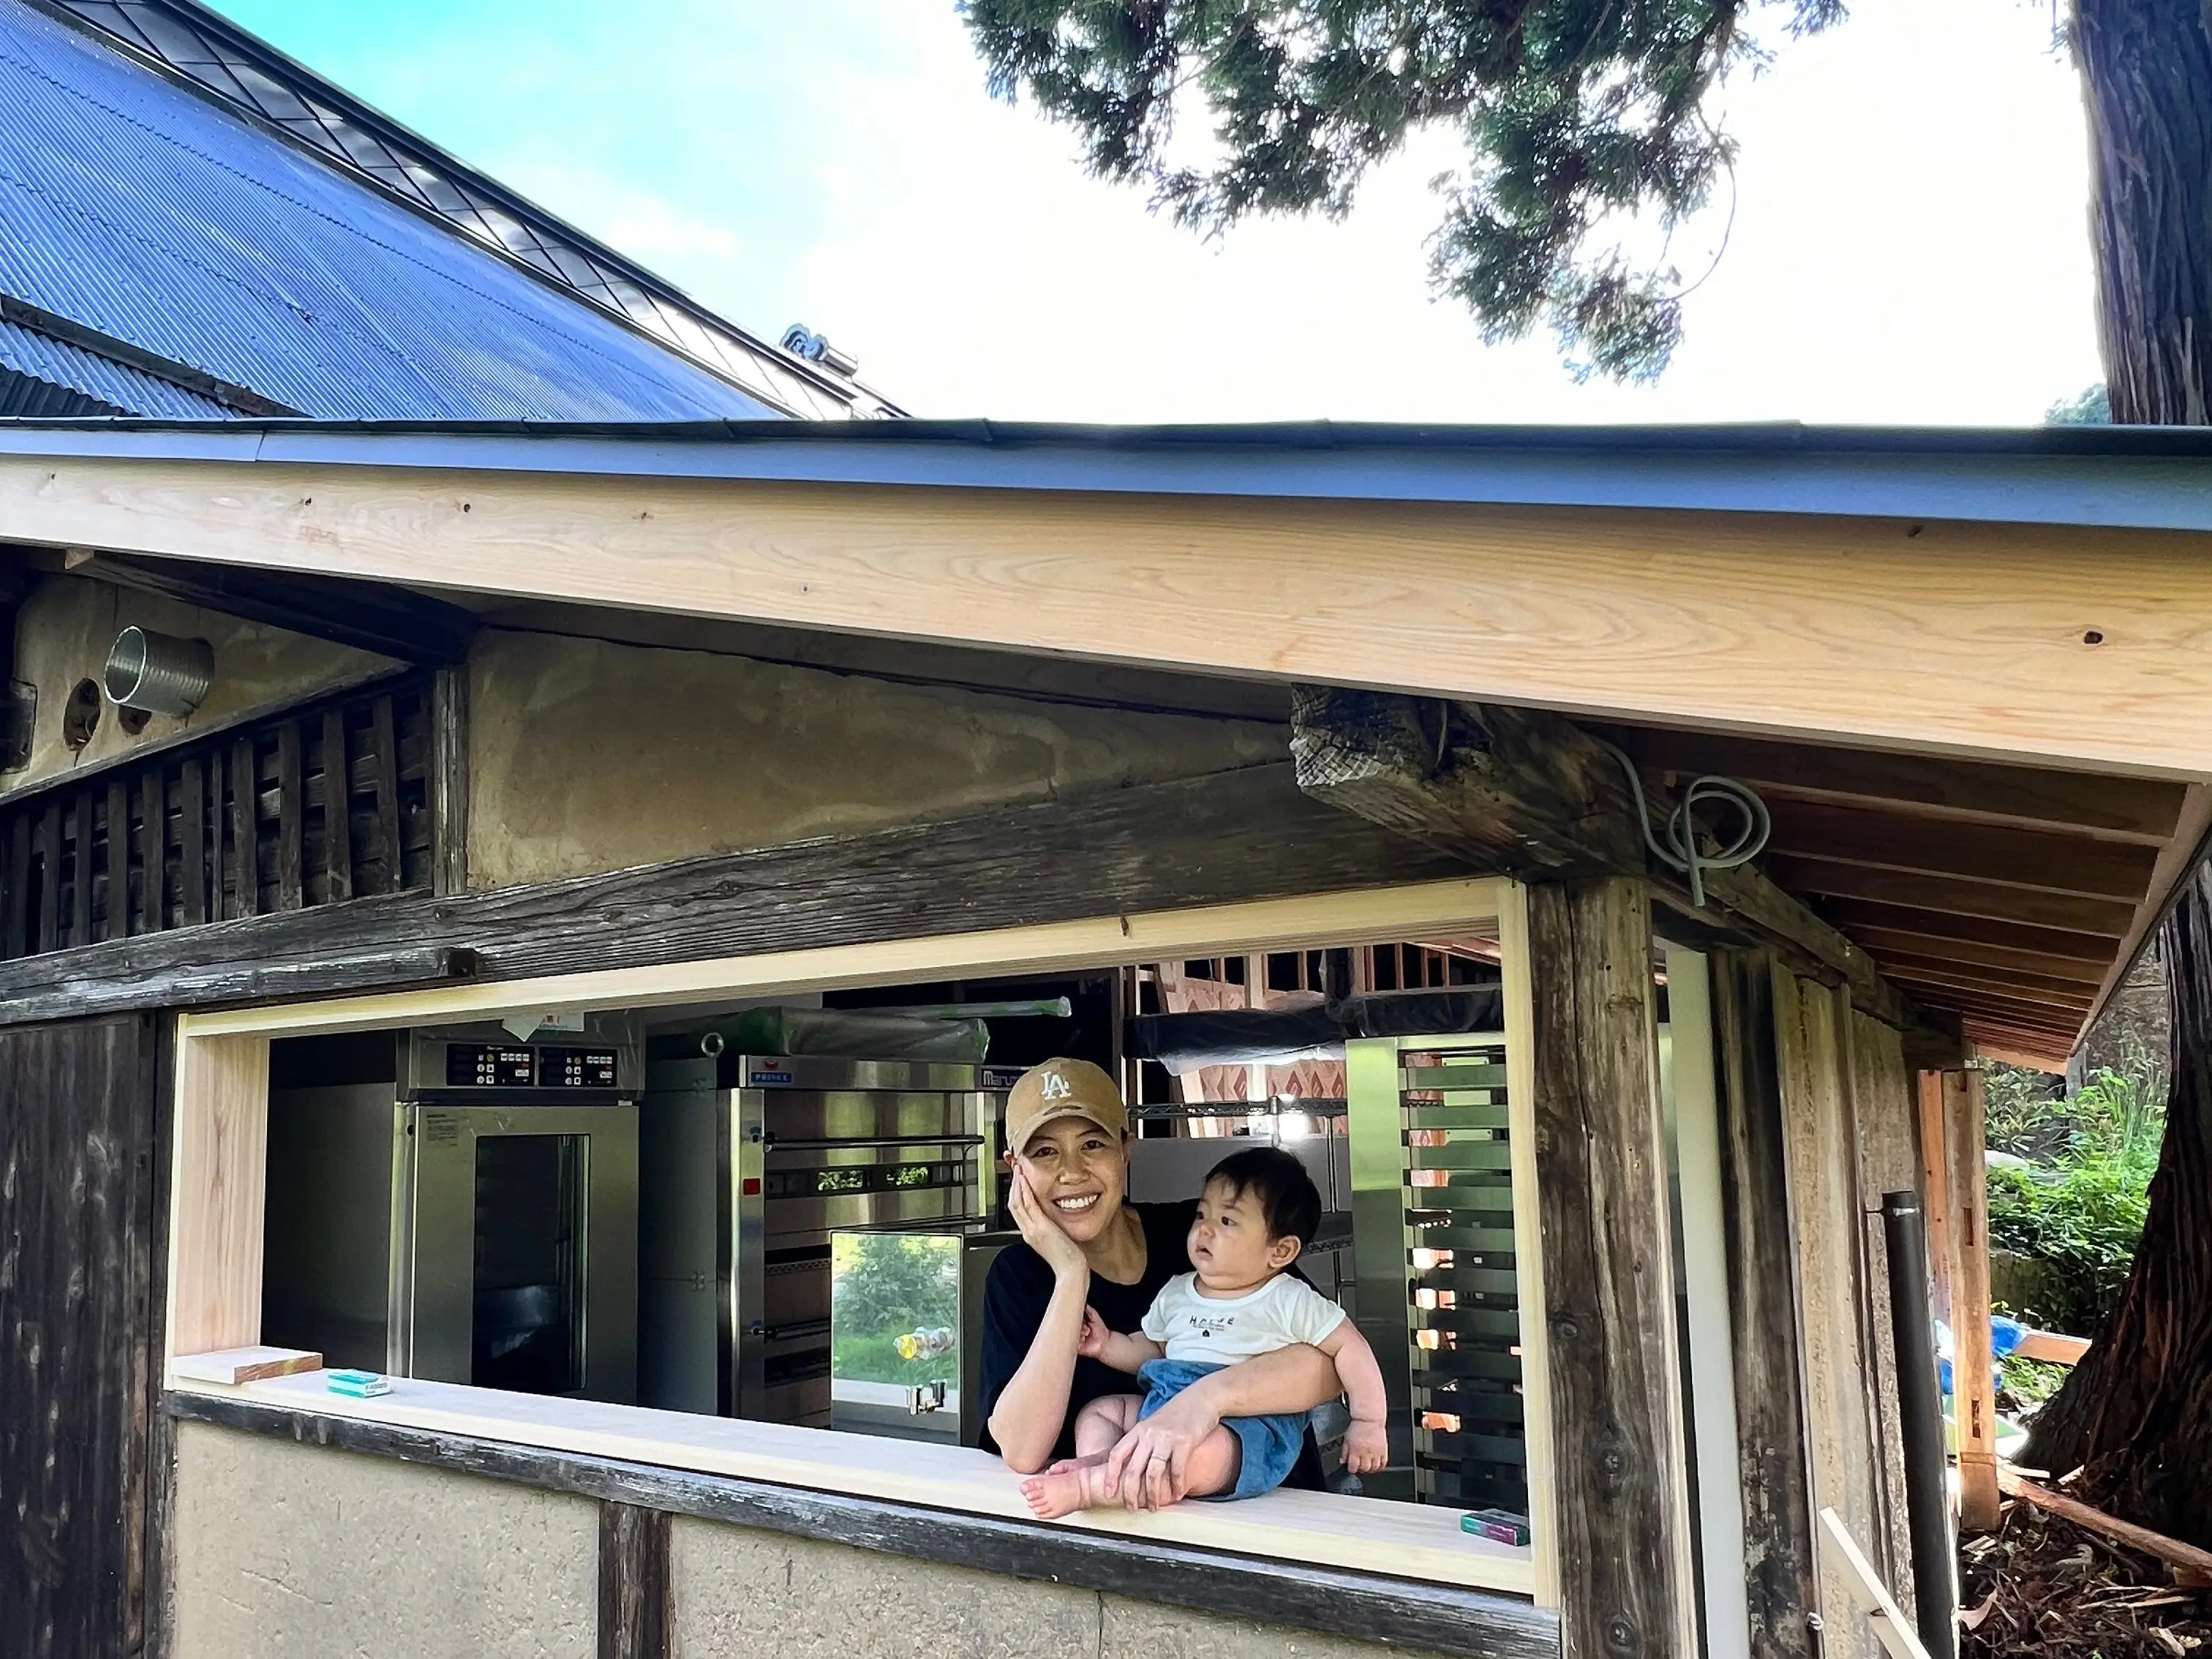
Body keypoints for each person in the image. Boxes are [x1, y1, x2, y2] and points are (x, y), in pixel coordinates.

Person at [979, 1057, 1343, 1511]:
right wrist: (1072, 1275)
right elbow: (1022, 1449)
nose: (1072, 1172)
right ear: (1014, 1168)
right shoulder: (1019, 1276)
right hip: (1141, 1544)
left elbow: (1332, 1364)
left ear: (1124, 1148)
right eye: (1045, 1152)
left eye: (1092, 1144)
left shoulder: (1202, 1234)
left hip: (1276, 1519)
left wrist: (1204, 1401)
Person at [1018, 1145, 1388, 1519]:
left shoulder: (1290, 1298)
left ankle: (1093, 1487)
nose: (1204, 1229)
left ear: (1280, 1252)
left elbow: (1350, 1349)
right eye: (1201, 1214)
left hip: (1247, 1429)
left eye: (1227, 1222)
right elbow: (1153, 1350)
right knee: (1101, 1413)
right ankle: (1106, 1459)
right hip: (1165, 1403)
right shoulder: (1178, 1290)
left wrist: (1368, 1422)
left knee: (1195, 1458)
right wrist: (1107, 1345)